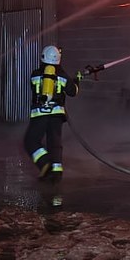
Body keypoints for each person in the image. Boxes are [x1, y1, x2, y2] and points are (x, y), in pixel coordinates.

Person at [24, 45, 83, 182]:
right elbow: (73, 92)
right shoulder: (62, 75)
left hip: (40, 114)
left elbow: (35, 88)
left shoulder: (35, 74)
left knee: (31, 141)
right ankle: (56, 171)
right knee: (54, 142)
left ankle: (44, 163)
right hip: (57, 115)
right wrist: (77, 79)